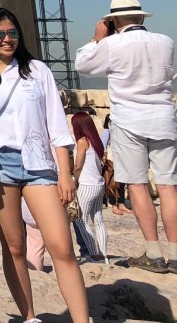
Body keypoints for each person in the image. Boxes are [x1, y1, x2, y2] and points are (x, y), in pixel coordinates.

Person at [0, 5, 89, 323]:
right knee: (14, 247)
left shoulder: (37, 70)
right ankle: (29, 317)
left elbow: (57, 124)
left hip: (38, 164)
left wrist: (65, 174)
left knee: (61, 246)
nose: (7, 39)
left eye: (12, 32)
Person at [74, 0, 177, 273]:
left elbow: (82, 64)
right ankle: (176, 254)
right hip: (164, 118)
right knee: (168, 186)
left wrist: (97, 38)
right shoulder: (166, 41)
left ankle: (154, 254)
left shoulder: (112, 44)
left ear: (114, 21)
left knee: (137, 184)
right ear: (141, 17)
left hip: (130, 120)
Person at [72, 111, 109, 263]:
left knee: (80, 220)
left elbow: (78, 165)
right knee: (98, 220)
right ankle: (104, 254)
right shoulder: (96, 141)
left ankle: (93, 254)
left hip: (86, 185)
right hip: (99, 184)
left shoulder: (82, 142)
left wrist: (74, 179)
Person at [102, 114, 128, 216]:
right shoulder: (107, 131)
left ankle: (121, 203)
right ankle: (113, 205)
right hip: (111, 161)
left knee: (121, 182)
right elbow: (103, 145)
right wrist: (104, 158)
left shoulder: (119, 132)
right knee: (111, 183)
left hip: (120, 159)